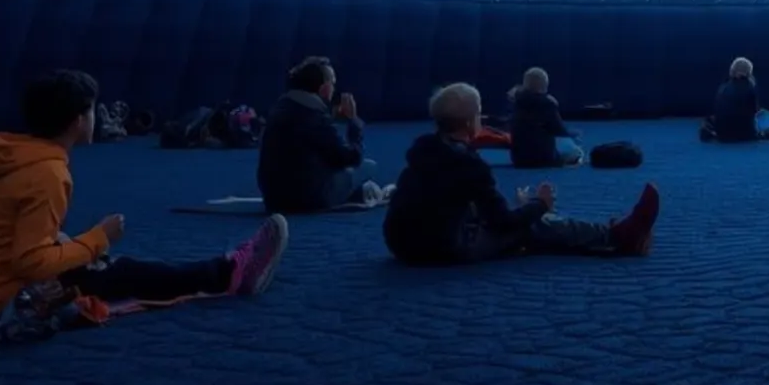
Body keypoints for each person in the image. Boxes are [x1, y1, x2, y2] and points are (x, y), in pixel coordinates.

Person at [0, 69, 289, 312]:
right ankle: (227, 274)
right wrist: (98, 237)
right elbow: (29, 263)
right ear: (78, 121)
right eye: (90, 111)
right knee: (122, 273)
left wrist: (68, 244)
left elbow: (16, 233)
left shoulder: (20, 156)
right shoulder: (47, 173)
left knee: (100, 264)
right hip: (1, 293)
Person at [383, 82, 658, 265]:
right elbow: (503, 222)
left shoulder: (422, 150)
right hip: (443, 248)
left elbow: (446, 198)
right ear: (471, 122)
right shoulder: (470, 165)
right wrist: (540, 205)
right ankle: (616, 237)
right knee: (533, 225)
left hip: (403, 245)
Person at [257, 56, 382, 213]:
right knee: (369, 167)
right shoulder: (314, 118)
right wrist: (353, 122)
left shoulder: (280, 109)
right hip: (309, 199)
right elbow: (351, 158)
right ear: (324, 88)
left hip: (274, 199)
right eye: (332, 84)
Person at [507, 67, 583, 168]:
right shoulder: (547, 104)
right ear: (545, 85)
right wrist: (573, 133)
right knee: (576, 151)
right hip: (543, 158)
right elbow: (559, 130)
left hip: (518, 159)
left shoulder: (516, 100)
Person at [702, 57, 769, 142]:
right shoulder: (749, 87)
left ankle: (713, 131)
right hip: (745, 134)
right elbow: (755, 111)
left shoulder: (723, 87)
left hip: (722, 134)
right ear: (749, 72)